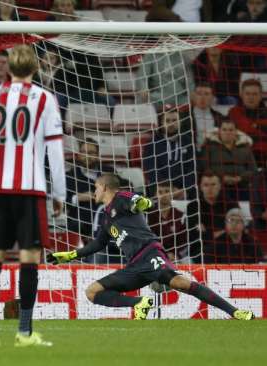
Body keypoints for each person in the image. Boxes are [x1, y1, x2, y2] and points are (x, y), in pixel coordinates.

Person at [0, 45, 66, 347]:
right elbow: (55, 151)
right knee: (29, 259)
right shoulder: (45, 99)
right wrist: (59, 192)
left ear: (8, 69)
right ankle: (23, 333)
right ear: (35, 69)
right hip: (29, 191)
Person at [51, 173, 255, 321]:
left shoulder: (121, 198)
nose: (94, 191)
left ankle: (235, 312)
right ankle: (138, 303)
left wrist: (143, 203)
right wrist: (69, 255)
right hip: (134, 266)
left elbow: (137, 201)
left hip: (149, 254)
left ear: (104, 187)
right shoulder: (105, 217)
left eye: (95, 187)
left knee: (182, 284)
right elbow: (98, 244)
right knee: (92, 292)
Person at [143, 108, 196, 198]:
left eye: (174, 120)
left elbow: (192, 168)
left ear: (180, 122)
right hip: (159, 190)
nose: (171, 124)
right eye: (167, 121)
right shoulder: (152, 144)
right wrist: (166, 189)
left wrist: (185, 189)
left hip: (182, 191)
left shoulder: (188, 142)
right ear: (162, 123)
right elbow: (151, 169)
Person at [199, 120, 256, 201]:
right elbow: (204, 167)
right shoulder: (209, 146)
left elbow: (253, 170)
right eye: (224, 129)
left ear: (236, 132)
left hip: (242, 185)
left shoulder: (245, 147)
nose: (227, 132)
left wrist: (240, 178)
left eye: (231, 130)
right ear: (219, 131)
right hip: (217, 186)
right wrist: (221, 178)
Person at [229, 79, 267, 165]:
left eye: (255, 94)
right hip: (239, 158)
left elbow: (244, 130)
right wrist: (258, 128)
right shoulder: (233, 112)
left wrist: (253, 128)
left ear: (261, 95)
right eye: (248, 94)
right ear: (241, 95)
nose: (251, 97)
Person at [147, 182, 187, 262]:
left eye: (167, 191)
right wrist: (163, 254)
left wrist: (175, 254)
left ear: (172, 193)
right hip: (154, 256)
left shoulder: (180, 215)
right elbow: (148, 241)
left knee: (188, 261)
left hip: (176, 257)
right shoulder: (149, 216)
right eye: (160, 192)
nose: (164, 195)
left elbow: (183, 242)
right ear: (155, 195)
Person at [190, 82, 223, 151]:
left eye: (207, 94)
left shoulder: (219, 117)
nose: (203, 97)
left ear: (212, 97)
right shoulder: (185, 116)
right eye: (199, 94)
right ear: (193, 96)